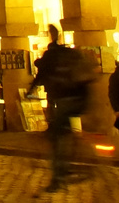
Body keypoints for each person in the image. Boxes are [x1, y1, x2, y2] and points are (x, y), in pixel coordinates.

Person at [29, 25, 85, 192]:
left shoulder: (50, 57)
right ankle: (71, 152)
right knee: (66, 128)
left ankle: (57, 177)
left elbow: (41, 74)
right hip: (78, 97)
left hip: (61, 97)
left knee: (56, 138)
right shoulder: (68, 55)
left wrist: (31, 90)